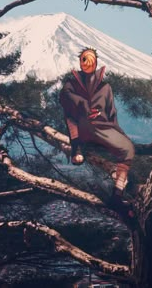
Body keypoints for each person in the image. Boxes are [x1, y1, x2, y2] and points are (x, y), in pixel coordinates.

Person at [59, 47, 135, 197]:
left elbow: (111, 114)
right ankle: (77, 147)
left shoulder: (105, 88)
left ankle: (117, 193)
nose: (88, 62)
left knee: (128, 148)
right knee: (71, 115)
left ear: (96, 62)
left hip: (101, 128)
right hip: (81, 126)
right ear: (80, 62)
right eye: (84, 59)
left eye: (91, 59)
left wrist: (119, 133)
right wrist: (82, 104)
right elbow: (65, 97)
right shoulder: (71, 85)